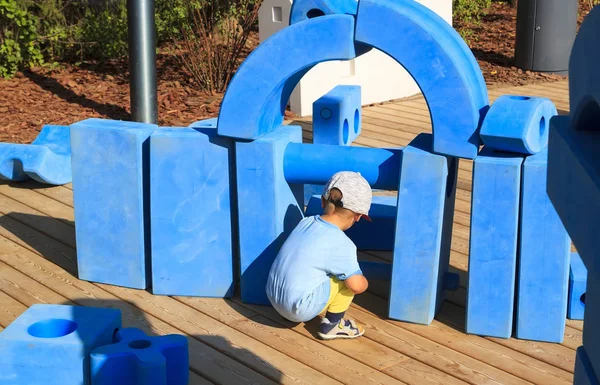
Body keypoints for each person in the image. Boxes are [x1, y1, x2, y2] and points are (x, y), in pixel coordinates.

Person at [266, 171, 372, 340]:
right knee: (348, 280)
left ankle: (291, 310)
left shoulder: (305, 222)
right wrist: (364, 281)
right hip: (298, 308)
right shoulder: (343, 244)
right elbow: (356, 286)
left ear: (323, 201)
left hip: (272, 298)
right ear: (358, 217)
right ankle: (332, 326)